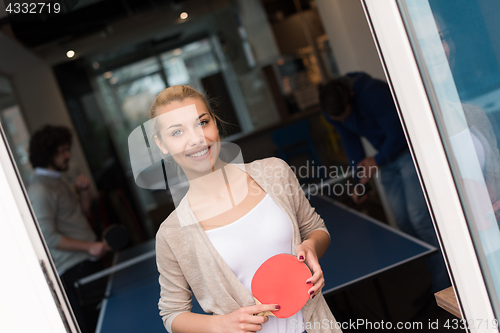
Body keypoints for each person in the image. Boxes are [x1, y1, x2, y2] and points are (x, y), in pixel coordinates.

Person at [150, 85, 341, 333]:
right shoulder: (172, 233)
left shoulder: (274, 172)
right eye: (177, 132)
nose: (196, 138)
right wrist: (219, 324)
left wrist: (311, 247)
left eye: (202, 122)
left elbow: (316, 229)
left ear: (215, 123)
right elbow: (172, 313)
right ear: (161, 144)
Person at [319, 72, 450, 294]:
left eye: (344, 116)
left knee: (420, 220)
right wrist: (359, 182)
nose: (342, 121)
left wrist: (376, 160)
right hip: (385, 158)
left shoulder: (373, 93)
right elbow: (351, 143)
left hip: (408, 150)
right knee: (404, 224)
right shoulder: (333, 111)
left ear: (351, 97)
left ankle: (444, 285)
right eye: (337, 120)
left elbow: (399, 133)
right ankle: (437, 280)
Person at [27, 125, 109, 333]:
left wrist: (83, 192)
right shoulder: (40, 189)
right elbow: (47, 236)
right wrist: (89, 247)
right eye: (62, 151)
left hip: (85, 265)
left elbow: (80, 214)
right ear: (48, 154)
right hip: (76, 271)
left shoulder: (56, 182)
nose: (68, 155)